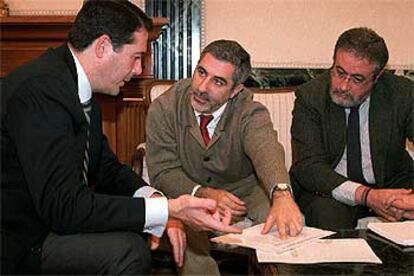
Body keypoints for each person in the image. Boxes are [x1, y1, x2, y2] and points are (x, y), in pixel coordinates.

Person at [0, 1, 240, 274]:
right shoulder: (41, 91)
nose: (138, 70)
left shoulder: (76, 87)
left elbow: (107, 168)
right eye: (136, 57)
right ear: (103, 47)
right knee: (128, 251)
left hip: (45, 225)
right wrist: (168, 211)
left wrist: (158, 200)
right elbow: (63, 206)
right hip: (20, 241)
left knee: (134, 236)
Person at [146, 39, 304, 275]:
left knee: (286, 229)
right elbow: (163, 171)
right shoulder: (164, 107)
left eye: (218, 82)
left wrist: (282, 194)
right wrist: (204, 193)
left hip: (245, 192)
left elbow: (266, 150)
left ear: (236, 90)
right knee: (194, 253)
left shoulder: (250, 111)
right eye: (201, 72)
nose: (201, 87)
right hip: (188, 192)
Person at [290, 27, 414, 231]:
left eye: (357, 79)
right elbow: (309, 166)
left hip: (389, 182)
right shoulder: (310, 97)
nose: (343, 86)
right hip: (329, 189)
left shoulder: (402, 94)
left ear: (377, 76)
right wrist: (367, 196)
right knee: (327, 215)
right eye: (339, 72)